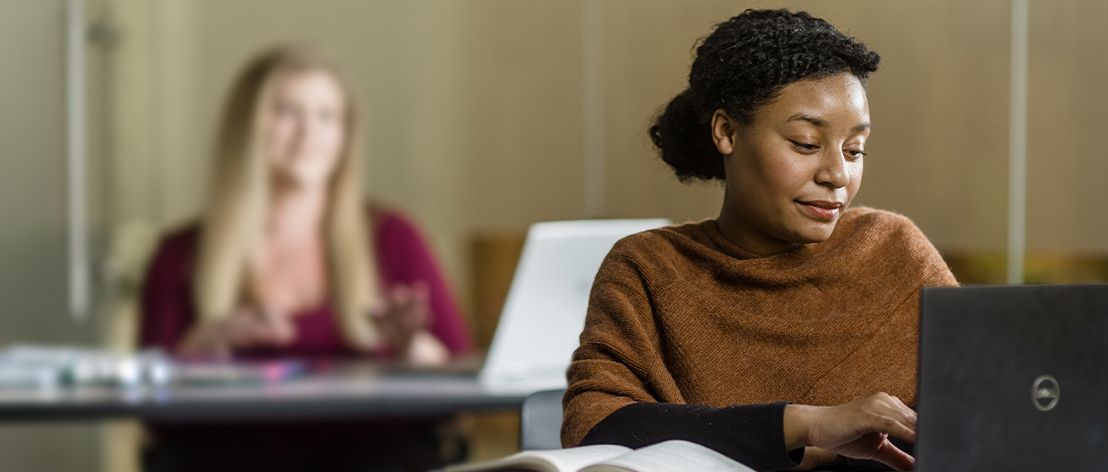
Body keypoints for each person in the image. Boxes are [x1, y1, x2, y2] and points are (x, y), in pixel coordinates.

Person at [563, 9, 957, 472]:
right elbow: (596, 428)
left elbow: (982, 414)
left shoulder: (893, 251)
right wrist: (802, 426)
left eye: (854, 150)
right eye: (807, 144)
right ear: (727, 132)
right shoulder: (649, 269)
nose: (837, 175)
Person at [137, 45, 471, 472]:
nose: (308, 132)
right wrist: (202, 347)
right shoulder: (179, 254)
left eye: (327, 116)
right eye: (287, 112)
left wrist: (413, 350)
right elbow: (153, 416)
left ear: (346, 134)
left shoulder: (395, 238)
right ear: (247, 128)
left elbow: (460, 396)